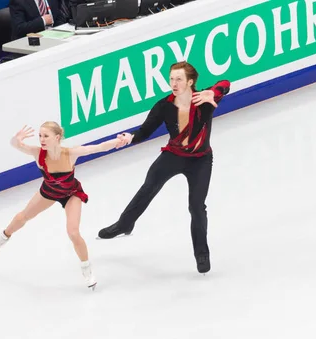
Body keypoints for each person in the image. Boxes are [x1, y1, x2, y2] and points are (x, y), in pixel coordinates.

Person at [97, 61, 231, 274]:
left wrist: (213, 92)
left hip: (200, 160)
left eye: (179, 79)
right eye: (171, 79)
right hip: (173, 155)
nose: (174, 83)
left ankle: (201, 254)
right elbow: (145, 131)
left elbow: (226, 82)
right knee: (148, 187)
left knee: (196, 207)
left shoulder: (204, 99)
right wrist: (130, 137)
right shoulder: (164, 105)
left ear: (190, 81)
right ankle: (124, 224)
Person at [0, 121, 127, 290]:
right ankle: (2, 238)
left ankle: (87, 270)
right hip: (49, 192)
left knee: (73, 233)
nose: (41, 140)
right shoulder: (37, 153)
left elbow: (99, 147)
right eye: (40, 136)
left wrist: (120, 140)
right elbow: (16, 145)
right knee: (22, 217)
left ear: (57, 137)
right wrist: (17, 139)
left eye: (46, 136)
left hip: (71, 194)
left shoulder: (71, 153)